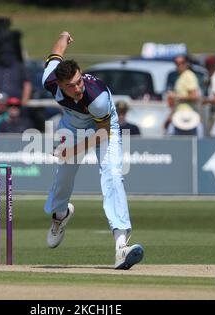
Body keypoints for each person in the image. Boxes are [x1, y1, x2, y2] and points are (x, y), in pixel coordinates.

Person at [42, 31, 144, 270]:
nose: (78, 88)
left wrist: (74, 149)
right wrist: (63, 37)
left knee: (112, 174)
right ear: (59, 85)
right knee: (64, 174)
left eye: (79, 81)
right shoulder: (49, 79)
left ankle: (121, 247)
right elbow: (55, 54)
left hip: (104, 126)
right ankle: (60, 216)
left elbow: (102, 133)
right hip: (72, 124)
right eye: (71, 86)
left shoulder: (95, 96)